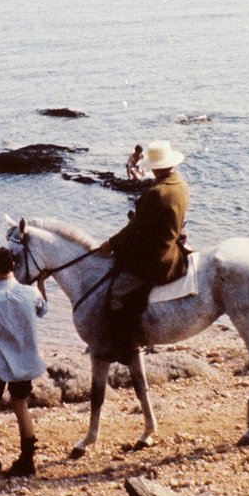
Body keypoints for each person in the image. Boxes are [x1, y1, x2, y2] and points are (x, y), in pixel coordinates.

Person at [96, 140, 190, 357]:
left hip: (156, 256)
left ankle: (123, 346)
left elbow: (135, 229)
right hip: (173, 246)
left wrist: (110, 244)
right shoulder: (181, 185)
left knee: (116, 292)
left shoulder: (157, 192)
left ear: (155, 167)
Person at [0, 246, 47, 477]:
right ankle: (27, 461)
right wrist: (41, 285)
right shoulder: (31, 293)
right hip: (24, 358)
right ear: (14, 265)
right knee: (20, 405)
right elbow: (42, 311)